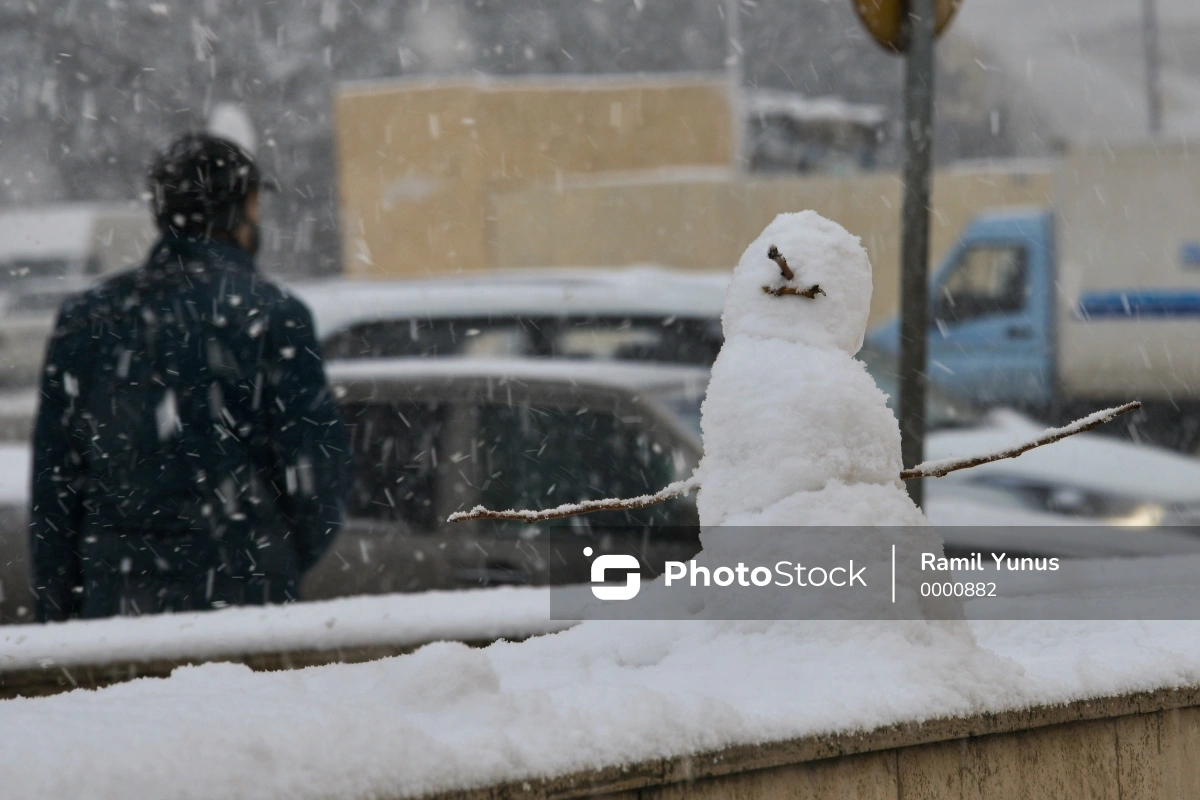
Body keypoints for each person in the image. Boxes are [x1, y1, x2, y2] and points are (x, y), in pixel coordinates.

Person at [29, 133, 351, 621]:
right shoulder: (273, 315)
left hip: (115, 601)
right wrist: (269, 557)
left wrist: (59, 610)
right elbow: (317, 476)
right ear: (244, 207)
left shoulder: (87, 319)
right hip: (247, 606)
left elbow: (54, 487)